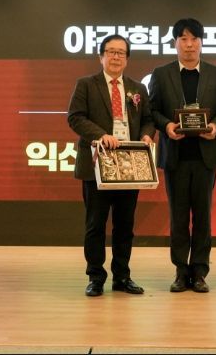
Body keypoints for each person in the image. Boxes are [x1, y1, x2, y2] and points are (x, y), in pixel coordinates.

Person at [67, 34, 156, 297]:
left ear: (127, 59)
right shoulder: (86, 84)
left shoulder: (137, 88)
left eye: (121, 53)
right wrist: (100, 135)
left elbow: (148, 119)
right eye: (111, 51)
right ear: (101, 56)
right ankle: (95, 277)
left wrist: (147, 135)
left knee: (124, 225)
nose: (116, 57)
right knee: (95, 225)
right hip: (97, 164)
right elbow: (75, 118)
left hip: (129, 164)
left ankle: (122, 276)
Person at [148, 18, 216, 293]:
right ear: (175, 43)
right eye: (183, 39)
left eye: (194, 39)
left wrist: (215, 126)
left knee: (203, 217)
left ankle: (200, 271)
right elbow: (152, 110)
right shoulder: (161, 74)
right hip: (176, 157)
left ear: (201, 42)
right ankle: (181, 271)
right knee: (179, 216)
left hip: (205, 157)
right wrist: (167, 126)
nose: (189, 44)